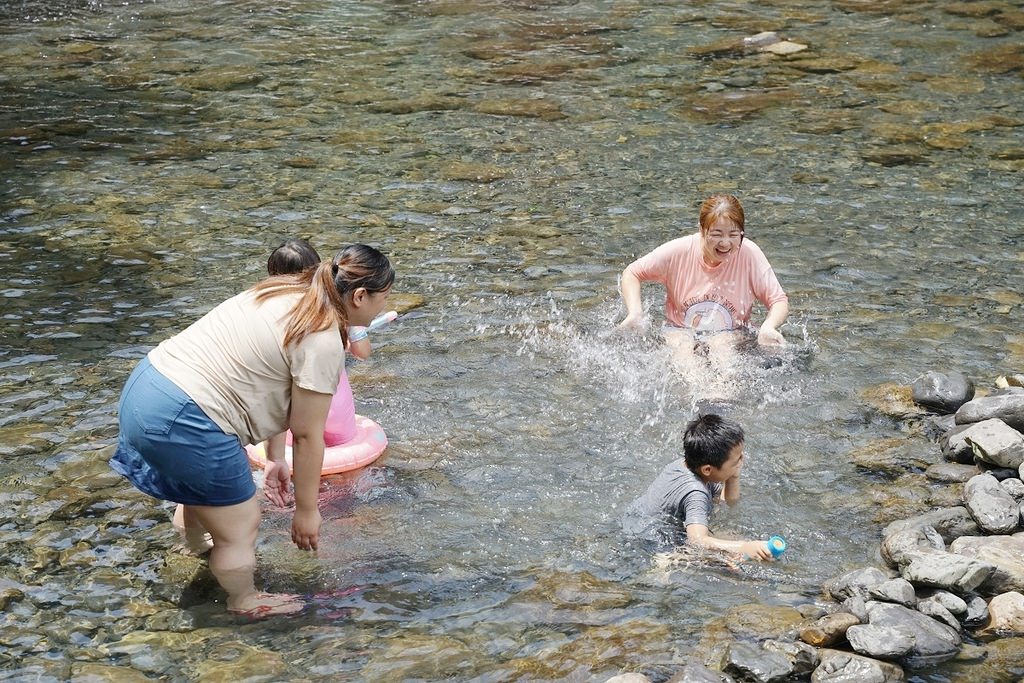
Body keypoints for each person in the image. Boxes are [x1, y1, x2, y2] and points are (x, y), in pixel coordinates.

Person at [111, 244, 394, 617]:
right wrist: (307, 511)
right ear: (360, 296)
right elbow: (308, 433)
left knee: (201, 497)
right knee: (243, 523)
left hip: (147, 387)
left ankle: (193, 552)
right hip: (186, 416)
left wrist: (276, 457)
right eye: (384, 299)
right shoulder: (322, 336)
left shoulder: (286, 290)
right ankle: (244, 600)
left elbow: (272, 382)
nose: (383, 306)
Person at [618, 194, 789, 347]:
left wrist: (768, 326)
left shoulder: (749, 254)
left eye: (733, 234)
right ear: (701, 230)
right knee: (684, 348)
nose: (725, 243)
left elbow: (778, 300)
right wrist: (635, 313)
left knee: (721, 346)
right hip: (680, 330)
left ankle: (723, 384)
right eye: (716, 234)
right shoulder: (679, 251)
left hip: (731, 334)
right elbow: (632, 273)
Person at [626, 413, 773, 560]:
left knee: (732, 539)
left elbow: (725, 502)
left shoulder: (685, 464)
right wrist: (743, 548)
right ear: (707, 469)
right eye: (737, 461)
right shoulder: (695, 492)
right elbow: (697, 541)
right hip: (648, 542)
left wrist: (734, 474)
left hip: (635, 521)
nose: (742, 461)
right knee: (725, 561)